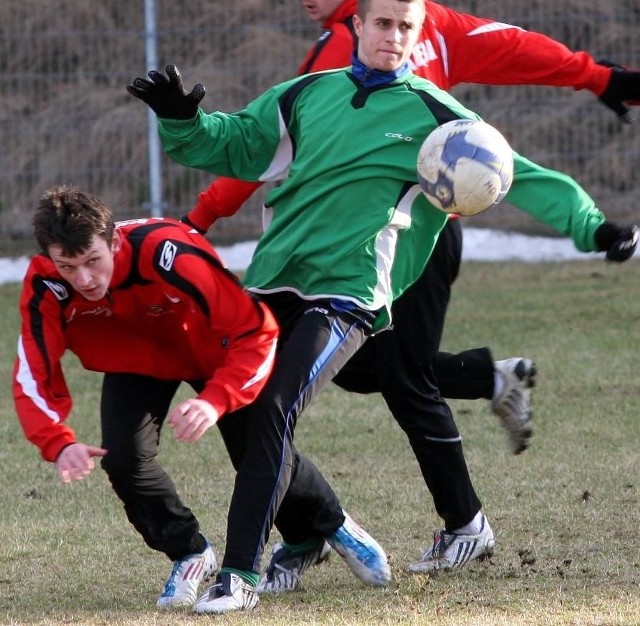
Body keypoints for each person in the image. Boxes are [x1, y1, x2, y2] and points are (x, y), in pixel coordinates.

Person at [128, 0, 637, 613]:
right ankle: (321, 524)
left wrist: (595, 227)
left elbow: (518, 174)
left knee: (276, 409)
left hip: (346, 295)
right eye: (383, 24)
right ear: (357, 27)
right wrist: (183, 120)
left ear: (417, 35)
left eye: (406, 28)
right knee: (244, 416)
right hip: (270, 284)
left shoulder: (434, 114)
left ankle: (237, 577)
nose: (393, 37)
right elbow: (234, 148)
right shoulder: (303, 94)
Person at [183, 0, 640, 457]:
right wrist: (597, 77)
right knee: (363, 370)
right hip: (369, 241)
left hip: (398, 237)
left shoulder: (365, 39)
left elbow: (510, 50)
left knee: (402, 379)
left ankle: (467, 523)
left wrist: (198, 221)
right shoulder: (412, 25)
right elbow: (268, 146)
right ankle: (493, 381)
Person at [11, 185, 281, 608]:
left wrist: (217, 398)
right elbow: (33, 369)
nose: (83, 279)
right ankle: (191, 552)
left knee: (259, 450)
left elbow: (254, 329)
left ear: (114, 240)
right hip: (139, 358)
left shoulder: (168, 251)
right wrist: (56, 440)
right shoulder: (47, 281)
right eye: (68, 266)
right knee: (122, 458)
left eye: (93, 261)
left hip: (211, 350)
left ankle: (327, 524)